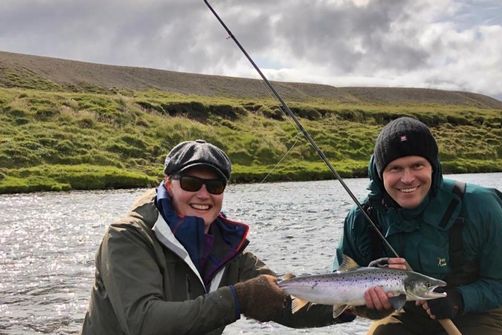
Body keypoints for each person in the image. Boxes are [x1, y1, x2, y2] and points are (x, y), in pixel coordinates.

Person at [82, 139, 353, 335]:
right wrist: (237, 299)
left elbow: (285, 305)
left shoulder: (230, 250)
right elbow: (145, 323)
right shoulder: (127, 237)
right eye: (190, 183)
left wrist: (352, 305)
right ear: (167, 183)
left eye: (214, 185)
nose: (203, 194)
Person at [335, 117, 502, 334]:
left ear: (433, 168)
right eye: (395, 168)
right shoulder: (362, 217)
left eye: (417, 165)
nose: (407, 178)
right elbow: (338, 285)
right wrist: (366, 306)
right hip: (406, 312)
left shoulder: (480, 205)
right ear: (380, 174)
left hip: (475, 313)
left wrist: (458, 300)